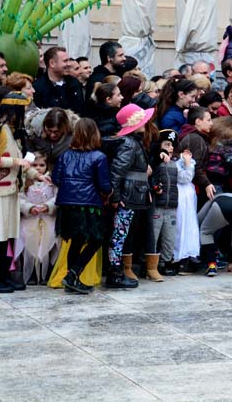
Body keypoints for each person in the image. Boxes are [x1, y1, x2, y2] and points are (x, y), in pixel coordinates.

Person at [51, 118, 112, 294]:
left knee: (76, 241)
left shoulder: (65, 155)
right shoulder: (99, 157)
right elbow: (104, 185)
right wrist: (110, 191)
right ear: (95, 134)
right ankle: (73, 274)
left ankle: (73, 279)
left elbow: (56, 179)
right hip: (89, 204)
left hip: (67, 204)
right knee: (97, 239)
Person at [0, 91, 45, 293]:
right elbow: (14, 160)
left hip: (12, 190)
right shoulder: (0, 130)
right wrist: (15, 161)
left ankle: (4, 275)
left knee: (8, 235)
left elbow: (22, 163)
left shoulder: (11, 131)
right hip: (0, 192)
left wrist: (37, 175)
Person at [107, 103, 154, 289]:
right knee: (119, 235)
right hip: (127, 197)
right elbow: (117, 172)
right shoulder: (129, 144)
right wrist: (116, 198)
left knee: (121, 235)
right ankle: (115, 275)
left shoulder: (132, 142)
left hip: (130, 194)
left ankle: (117, 272)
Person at [148, 130, 194, 279]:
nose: (170, 148)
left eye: (172, 145)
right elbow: (150, 177)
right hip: (158, 206)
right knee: (153, 236)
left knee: (170, 237)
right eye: (167, 144)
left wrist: (188, 164)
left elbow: (185, 178)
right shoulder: (155, 161)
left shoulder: (174, 164)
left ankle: (165, 263)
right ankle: (149, 264)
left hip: (172, 206)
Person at [18, 152, 57, 285]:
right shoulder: (24, 181)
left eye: (42, 165)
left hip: (48, 217)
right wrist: (29, 208)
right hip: (30, 218)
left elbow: (57, 197)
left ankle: (48, 270)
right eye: (35, 165)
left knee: (52, 236)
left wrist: (48, 206)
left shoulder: (51, 181)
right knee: (26, 236)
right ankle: (32, 272)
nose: (39, 168)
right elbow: (19, 198)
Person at [33, 47, 84, 113]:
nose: (69, 64)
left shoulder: (74, 83)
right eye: (65, 61)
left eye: (68, 60)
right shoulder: (38, 88)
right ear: (52, 63)